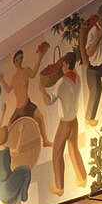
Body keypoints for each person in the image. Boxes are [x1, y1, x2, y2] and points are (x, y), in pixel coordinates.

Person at [38, 50, 87, 195]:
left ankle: (59, 187)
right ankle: (82, 178)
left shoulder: (62, 82)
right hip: (74, 120)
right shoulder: (76, 78)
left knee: (56, 153)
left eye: (63, 64)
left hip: (65, 122)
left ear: (66, 64)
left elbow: (48, 101)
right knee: (73, 149)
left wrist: (42, 90)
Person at [0, 47, 54, 149]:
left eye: (21, 59)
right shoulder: (14, 78)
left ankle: (45, 141)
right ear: (14, 62)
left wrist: (40, 57)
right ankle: (6, 150)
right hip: (18, 109)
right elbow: (8, 90)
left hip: (27, 104)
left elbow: (33, 74)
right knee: (8, 128)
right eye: (17, 60)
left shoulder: (26, 71)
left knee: (40, 118)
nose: (20, 61)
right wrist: (2, 81)